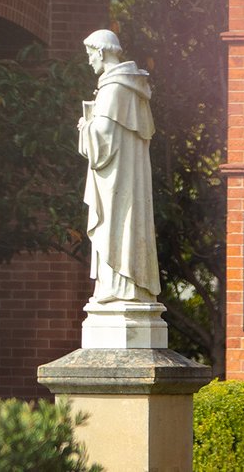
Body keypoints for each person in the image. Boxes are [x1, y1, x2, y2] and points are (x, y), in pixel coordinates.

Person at [78, 29, 161, 304]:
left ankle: (119, 285)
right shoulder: (131, 86)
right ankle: (128, 283)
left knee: (116, 225)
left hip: (117, 178)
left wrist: (85, 126)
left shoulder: (113, 87)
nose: (89, 60)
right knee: (126, 224)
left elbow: (102, 137)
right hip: (127, 175)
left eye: (90, 54)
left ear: (101, 52)